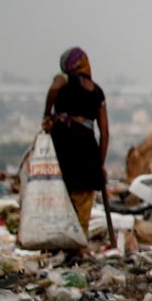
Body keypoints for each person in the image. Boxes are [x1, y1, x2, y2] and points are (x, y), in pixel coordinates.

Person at [42, 46, 111, 248]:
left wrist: (47, 114)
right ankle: (78, 244)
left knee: (63, 193)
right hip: (87, 148)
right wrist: (100, 163)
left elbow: (54, 88)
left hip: (64, 143)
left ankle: (60, 242)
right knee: (83, 199)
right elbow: (105, 133)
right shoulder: (97, 92)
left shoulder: (64, 79)